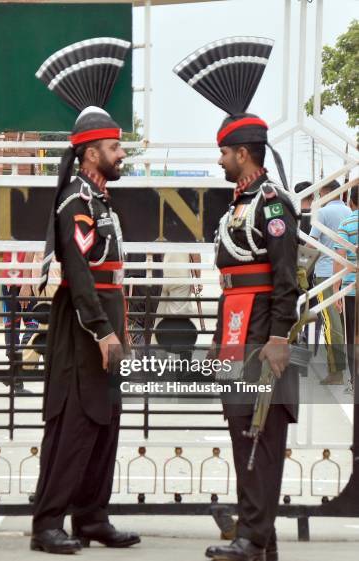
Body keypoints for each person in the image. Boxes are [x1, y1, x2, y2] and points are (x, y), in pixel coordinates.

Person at [175, 36, 301, 561]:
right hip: (235, 332)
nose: (221, 159)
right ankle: (259, 537)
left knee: (259, 436)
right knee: (241, 427)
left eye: (224, 151)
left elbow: (285, 276)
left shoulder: (271, 204)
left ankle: (253, 536)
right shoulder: (238, 206)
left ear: (242, 152)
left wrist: (277, 338)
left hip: (259, 335)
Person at [32, 37, 139, 555]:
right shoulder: (77, 200)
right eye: (116, 148)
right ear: (92, 152)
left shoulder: (101, 199)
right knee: (74, 424)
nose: (122, 155)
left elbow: (112, 274)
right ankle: (47, 522)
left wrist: (123, 328)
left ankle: (92, 517)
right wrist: (102, 331)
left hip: (107, 326)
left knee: (107, 421)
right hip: (82, 333)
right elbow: (78, 271)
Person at [309, 179, 351, 384]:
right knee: (349, 323)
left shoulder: (323, 213)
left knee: (331, 322)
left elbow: (312, 244)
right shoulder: (350, 212)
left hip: (326, 274)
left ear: (326, 192)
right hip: (349, 274)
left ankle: (336, 371)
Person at [333, 185, 357, 392]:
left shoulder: (347, 223)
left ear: (351, 203)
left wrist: (335, 290)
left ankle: (354, 381)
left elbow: (339, 258)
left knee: (351, 338)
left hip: (350, 290)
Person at [1, 251, 36, 394]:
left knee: (12, 325)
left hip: (9, 278)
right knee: (33, 324)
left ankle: (15, 375)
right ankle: (17, 370)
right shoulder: (29, 229)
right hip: (25, 280)